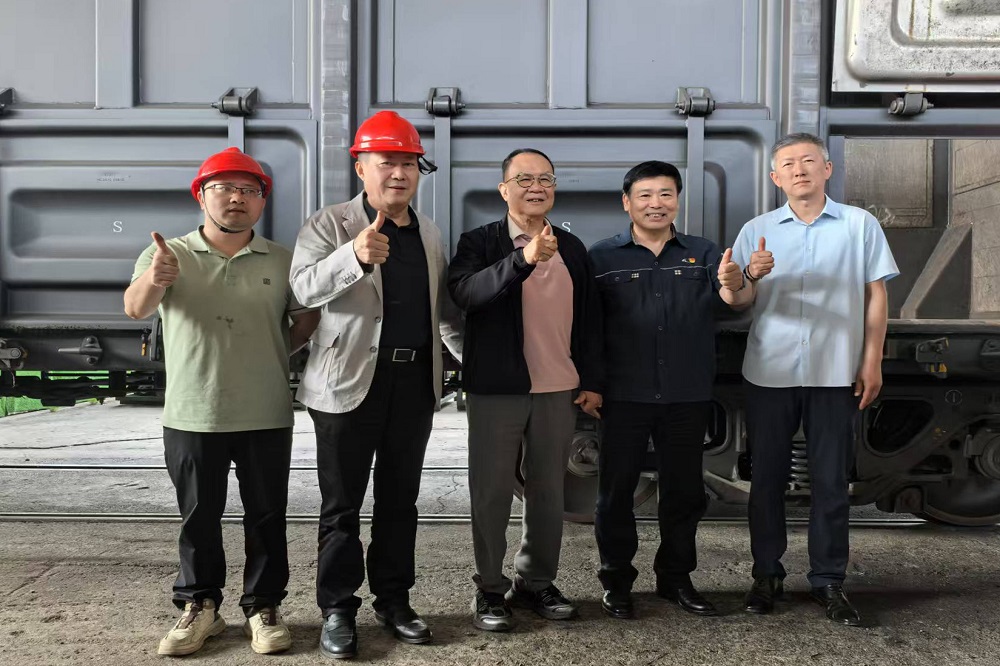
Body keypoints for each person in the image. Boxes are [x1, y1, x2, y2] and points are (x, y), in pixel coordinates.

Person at [124, 147, 319, 656]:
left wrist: (267, 351)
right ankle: (200, 606)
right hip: (193, 411)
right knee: (198, 517)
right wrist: (155, 278)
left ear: (262, 202)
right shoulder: (168, 253)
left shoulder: (283, 259)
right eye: (224, 188)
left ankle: (263, 607)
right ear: (201, 196)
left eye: (249, 190)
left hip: (265, 411)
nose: (236, 198)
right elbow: (135, 308)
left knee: (267, 516)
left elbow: (306, 319)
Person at [289, 111, 463, 660]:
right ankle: (338, 609)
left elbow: (443, 313)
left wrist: (476, 365)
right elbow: (301, 291)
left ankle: (394, 600)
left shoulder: (428, 231)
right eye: (386, 162)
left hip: (413, 384)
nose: (399, 173)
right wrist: (354, 256)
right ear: (361, 167)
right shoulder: (329, 225)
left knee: (400, 501)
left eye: (409, 163)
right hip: (345, 384)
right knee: (341, 505)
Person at [729, 133, 899, 626]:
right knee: (766, 480)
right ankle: (766, 576)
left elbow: (876, 295)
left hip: (835, 370)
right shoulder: (758, 229)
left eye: (808, 160)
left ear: (827, 169)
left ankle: (829, 581)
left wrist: (872, 360)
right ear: (775, 177)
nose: (799, 169)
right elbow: (740, 301)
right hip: (770, 370)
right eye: (788, 164)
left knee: (831, 481)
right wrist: (747, 277)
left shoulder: (859, 224)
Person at [588, 161, 752, 620]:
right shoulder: (601, 258)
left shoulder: (705, 253)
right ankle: (616, 582)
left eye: (665, 194)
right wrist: (591, 384)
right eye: (645, 195)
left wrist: (739, 282)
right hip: (623, 395)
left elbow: (733, 302)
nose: (655, 203)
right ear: (627, 203)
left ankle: (676, 579)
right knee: (615, 495)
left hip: (686, 393)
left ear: (678, 200)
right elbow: (588, 328)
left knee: (684, 494)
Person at [447, 148, 603, 632]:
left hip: (559, 386)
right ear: (504, 189)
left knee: (548, 490)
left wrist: (592, 381)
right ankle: (490, 588)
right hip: (498, 388)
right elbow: (466, 294)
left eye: (546, 179)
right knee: (491, 491)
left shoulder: (572, 247)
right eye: (524, 179)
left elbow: (590, 319)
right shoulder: (479, 242)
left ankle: (536, 581)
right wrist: (522, 259)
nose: (536, 187)